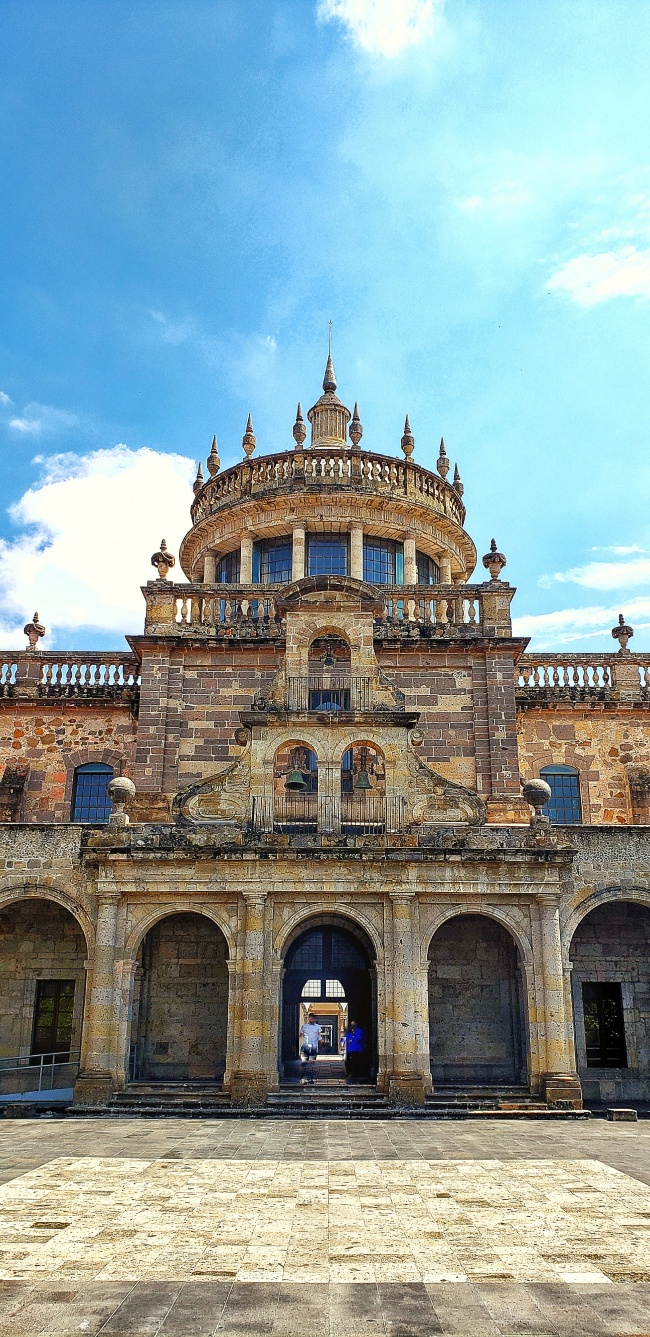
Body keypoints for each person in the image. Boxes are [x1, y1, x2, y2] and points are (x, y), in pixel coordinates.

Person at [299, 1011, 321, 1085]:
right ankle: (304, 1078)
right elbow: (300, 1034)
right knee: (305, 1062)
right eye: (311, 1018)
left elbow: (319, 1035)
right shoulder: (304, 1026)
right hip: (305, 1046)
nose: (312, 1019)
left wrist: (321, 1041)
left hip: (314, 1047)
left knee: (312, 1063)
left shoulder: (318, 1027)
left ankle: (311, 1078)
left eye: (313, 1018)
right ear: (308, 1018)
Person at [343, 1019, 366, 1084]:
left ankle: (355, 1075)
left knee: (356, 1063)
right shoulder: (348, 1031)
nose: (352, 1025)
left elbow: (364, 1040)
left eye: (354, 1024)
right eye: (351, 1024)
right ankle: (349, 1074)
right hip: (349, 1050)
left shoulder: (360, 1031)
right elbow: (343, 1040)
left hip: (357, 1050)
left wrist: (363, 1047)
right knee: (348, 1063)